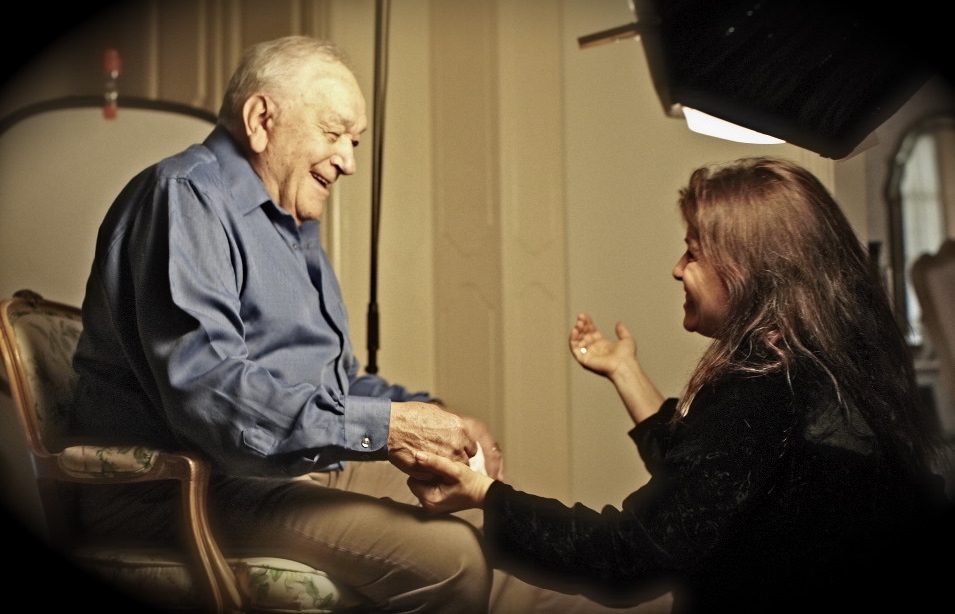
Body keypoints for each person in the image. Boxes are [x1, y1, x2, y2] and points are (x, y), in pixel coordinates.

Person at [68, 35, 505, 613]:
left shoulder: (292, 225)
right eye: (335, 134)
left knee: (497, 515)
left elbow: (335, 387)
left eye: (355, 141)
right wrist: (391, 428)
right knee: (455, 559)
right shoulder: (186, 197)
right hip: (182, 486)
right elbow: (214, 396)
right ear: (261, 120)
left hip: (276, 472)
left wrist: (437, 421)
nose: (349, 161)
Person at [409, 156, 955, 613]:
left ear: (751, 269)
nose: (676, 268)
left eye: (692, 252)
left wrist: (484, 494)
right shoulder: (816, 366)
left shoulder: (767, 386)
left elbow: (631, 553)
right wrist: (625, 371)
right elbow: (709, 481)